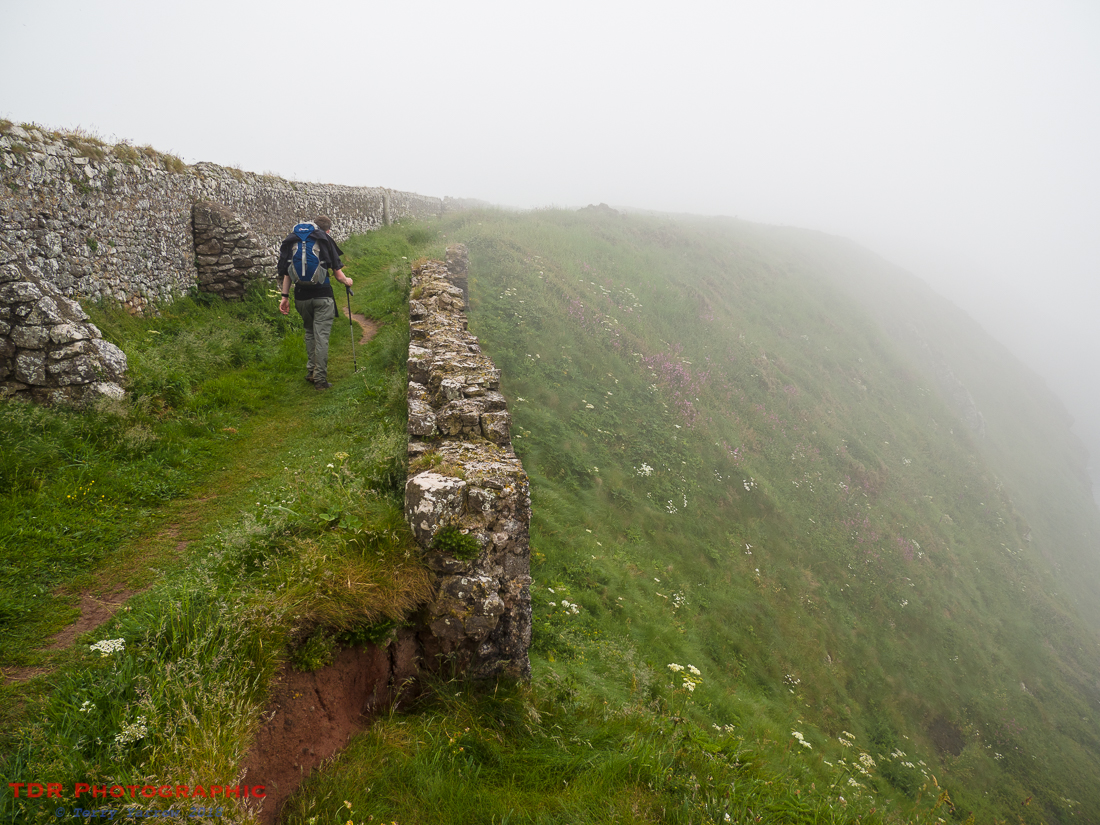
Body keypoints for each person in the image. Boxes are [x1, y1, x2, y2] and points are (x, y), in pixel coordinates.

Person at [277, 216, 353, 390]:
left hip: (301, 297)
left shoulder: (292, 240)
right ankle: (320, 380)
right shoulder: (324, 240)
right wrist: (348, 281)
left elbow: (286, 272)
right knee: (322, 337)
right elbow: (338, 275)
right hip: (322, 296)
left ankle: (311, 371)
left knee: (310, 333)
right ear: (324, 229)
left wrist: (285, 297)